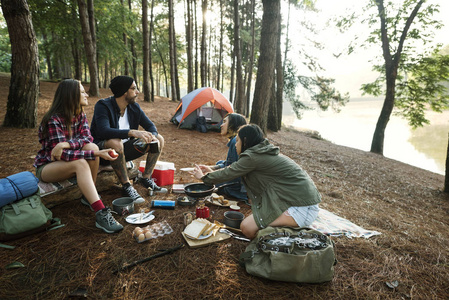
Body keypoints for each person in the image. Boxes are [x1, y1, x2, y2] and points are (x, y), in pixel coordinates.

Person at [191, 124, 321, 239]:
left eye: (237, 141)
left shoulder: (253, 157)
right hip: (296, 200)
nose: (235, 145)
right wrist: (211, 170)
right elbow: (233, 168)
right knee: (252, 224)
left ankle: (289, 237)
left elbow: (229, 173)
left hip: (302, 207)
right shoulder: (260, 152)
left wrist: (203, 177)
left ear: (245, 141)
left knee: (247, 228)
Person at [34, 79, 123, 234]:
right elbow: (63, 156)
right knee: (81, 162)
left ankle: (87, 196)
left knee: (92, 146)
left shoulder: (79, 114)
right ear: (71, 95)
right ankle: (101, 212)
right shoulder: (53, 120)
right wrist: (95, 154)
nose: (86, 94)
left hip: (68, 158)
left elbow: (88, 139)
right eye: (82, 92)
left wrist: (65, 144)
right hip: (47, 167)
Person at [90, 75, 167, 204]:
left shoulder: (133, 107)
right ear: (124, 91)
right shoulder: (103, 105)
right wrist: (131, 132)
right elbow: (104, 131)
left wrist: (152, 135)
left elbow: (150, 126)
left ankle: (146, 178)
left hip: (124, 150)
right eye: (134, 89)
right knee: (115, 141)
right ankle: (126, 186)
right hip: (104, 152)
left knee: (159, 139)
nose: (137, 92)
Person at [198, 113, 248, 201]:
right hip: (236, 181)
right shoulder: (235, 140)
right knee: (219, 163)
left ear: (233, 125)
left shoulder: (235, 142)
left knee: (211, 185)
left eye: (224, 122)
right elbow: (229, 163)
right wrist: (211, 168)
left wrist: (209, 176)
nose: (221, 125)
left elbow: (235, 173)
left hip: (240, 189)